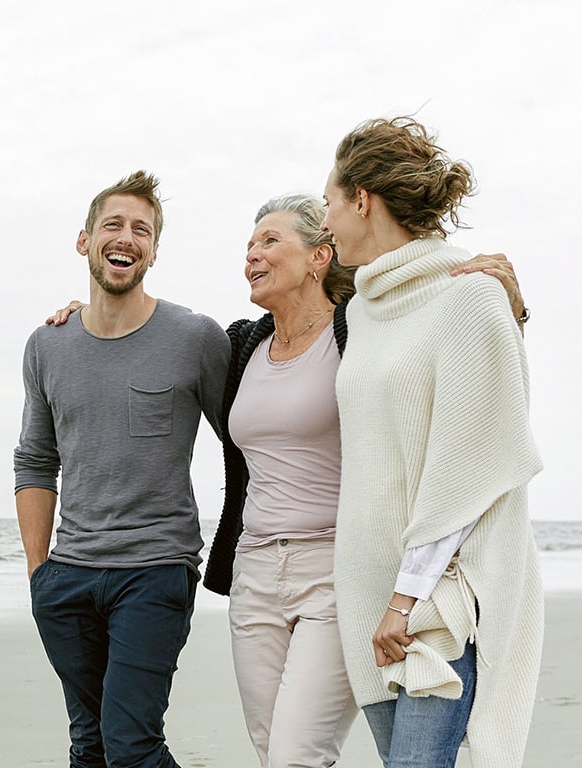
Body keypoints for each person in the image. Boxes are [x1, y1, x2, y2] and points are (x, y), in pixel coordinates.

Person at [48, 197, 525, 768]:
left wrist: (510, 309)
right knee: (271, 750)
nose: (252, 253)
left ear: (320, 255)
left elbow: (447, 350)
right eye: (250, 244)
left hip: (335, 571)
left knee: (296, 755)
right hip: (253, 575)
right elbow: (147, 342)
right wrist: (90, 313)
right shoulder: (240, 344)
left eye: (270, 241)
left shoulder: (360, 331)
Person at [322, 116, 543, 768]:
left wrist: (406, 597)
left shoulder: (470, 296)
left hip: (436, 597)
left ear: (362, 199)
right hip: (366, 590)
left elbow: (471, 454)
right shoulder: (362, 310)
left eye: (330, 204)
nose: (325, 223)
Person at [13, 170, 230, 768]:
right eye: (113, 224)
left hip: (155, 569)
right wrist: (40, 575)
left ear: (154, 251)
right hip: (68, 577)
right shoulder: (47, 345)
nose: (126, 237)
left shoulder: (194, 337)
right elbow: (35, 459)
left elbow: (247, 440)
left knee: (132, 747)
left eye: (142, 229)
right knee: (90, 746)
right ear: (84, 240)